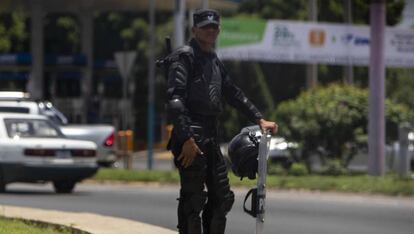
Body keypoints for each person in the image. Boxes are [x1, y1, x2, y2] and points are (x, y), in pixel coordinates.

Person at [166, 9, 278, 234]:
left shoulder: (213, 59)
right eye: (205, 27)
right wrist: (186, 138)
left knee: (223, 198)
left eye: (214, 27)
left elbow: (233, 93)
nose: (210, 31)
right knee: (193, 200)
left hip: (210, 135)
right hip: (190, 136)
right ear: (194, 29)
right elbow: (175, 101)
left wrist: (259, 118)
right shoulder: (185, 56)